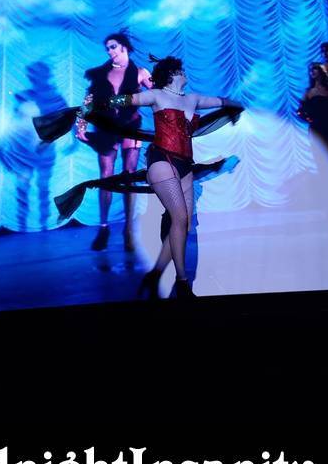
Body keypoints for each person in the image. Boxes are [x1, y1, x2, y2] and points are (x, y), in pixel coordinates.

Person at [79, 56, 243, 298]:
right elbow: (126, 100)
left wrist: (236, 106)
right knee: (180, 218)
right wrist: (96, 105)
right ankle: (182, 282)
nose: (185, 73)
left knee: (183, 224)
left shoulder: (193, 99)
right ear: (172, 74)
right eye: (181, 70)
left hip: (185, 164)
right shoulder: (156, 95)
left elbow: (222, 101)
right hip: (162, 161)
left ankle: (154, 274)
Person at [77, 31, 153, 252]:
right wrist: (81, 126)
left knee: (129, 178)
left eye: (113, 46)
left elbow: (158, 94)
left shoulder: (140, 72)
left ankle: (129, 230)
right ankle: (103, 228)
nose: (109, 51)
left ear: (124, 47)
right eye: (107, 48)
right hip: (106, 127)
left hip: (131, 127)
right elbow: (88, 100)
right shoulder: (101, 74)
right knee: (106, 178)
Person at [297, 63, 328, 145]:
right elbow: (300, 111)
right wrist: (309, 119)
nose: (312, 71)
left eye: (314, 69)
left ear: (321, 70)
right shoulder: (308, 91)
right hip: (316, 127)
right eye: (310, 70)